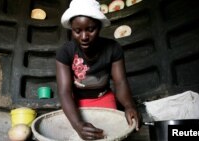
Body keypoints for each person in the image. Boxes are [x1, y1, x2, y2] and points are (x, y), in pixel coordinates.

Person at [55, 0, 140, 140]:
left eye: (90, 29)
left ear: (99, 27)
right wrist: (77, 124)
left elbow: (120, 83)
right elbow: (64, 91)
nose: (84, 37)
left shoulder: (113, 48)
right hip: (75, 102)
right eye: (77, 31)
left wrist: (129, 106)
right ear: (71, 30)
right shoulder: (65, 52)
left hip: (104, 97)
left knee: (110, 134)